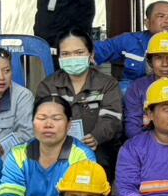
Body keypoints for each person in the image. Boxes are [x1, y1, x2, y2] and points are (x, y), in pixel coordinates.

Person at [0, 96, 97, 196]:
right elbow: (8, 195)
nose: (48, 124)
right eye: (41, 118)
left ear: (69, 125)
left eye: (56, 118)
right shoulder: (18, 154)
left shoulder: (82, 156)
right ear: (32, 122)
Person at [36, 31, 123, 174]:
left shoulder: (107, 84)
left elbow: (112, 118)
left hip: (98, 148)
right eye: (66, 54)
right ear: (59, 58)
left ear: (91, 54)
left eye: (79, 52)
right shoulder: (48, 86)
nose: (73, 58)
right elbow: (42, 119)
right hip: (57, 147)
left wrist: (96, 137)